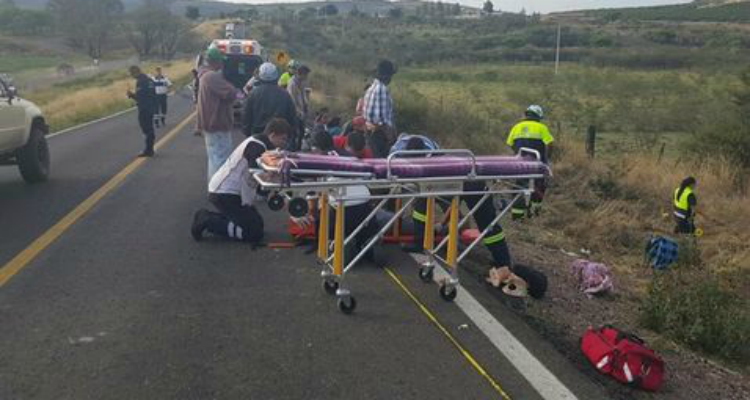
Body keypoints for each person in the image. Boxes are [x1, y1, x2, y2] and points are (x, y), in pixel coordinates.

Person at [403, 135, 513, 274]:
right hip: (466, 181)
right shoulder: (435, 156)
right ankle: (503, 261)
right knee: (487, 222)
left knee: (487, 224)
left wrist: (443, 223)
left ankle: (504, 263)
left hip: (466, 184)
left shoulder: (430, 164)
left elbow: (444, 198)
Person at [191, 118, 292, 243]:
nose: (283, 143)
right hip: (224, 193)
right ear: (272, 135)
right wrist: (272, 178)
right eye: (283, 139)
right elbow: (255, 173)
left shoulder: (259, 143)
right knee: (253, 233)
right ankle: (207, 220)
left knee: (258, 224)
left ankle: (214, 217)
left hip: (233, 193)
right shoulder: (256, 145)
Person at [197, 47, 241, 181]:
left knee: (214, 159)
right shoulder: (212, 76)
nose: (223, 64)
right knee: (221, 160)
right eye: (221, 61)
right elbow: (231, 93)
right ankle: (219, 187)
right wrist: (238, 93)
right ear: (215, 61)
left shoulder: (204, 75)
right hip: (217, 124)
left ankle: (214, 186)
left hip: (211, 125)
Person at [506, 105, 554, 220]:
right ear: (539, 116)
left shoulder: (516, 127)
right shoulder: (541, 128)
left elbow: (510, 143)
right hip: (537, 164)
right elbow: (550, 143)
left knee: (519, 187)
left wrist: (518, 153)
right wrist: (546, 158)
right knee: (539, 186)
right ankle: (534, 212)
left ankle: (517, 216)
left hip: (520, 164)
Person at [242, 62, 297, 139]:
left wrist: (247, 134)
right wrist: (291, 135)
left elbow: (246, 115)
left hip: (258, 135)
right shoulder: (285, 94)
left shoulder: (253, 94)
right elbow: (292, 116)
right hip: (279, 136)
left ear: (260, 76)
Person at [126, 65, 157, 157]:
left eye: (131, 74)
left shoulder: (141, 81)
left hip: (144, 108)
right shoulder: (150, 80)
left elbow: (140, 97)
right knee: (149, 128)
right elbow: (153, 93)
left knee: (147, 129)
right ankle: (150, 149)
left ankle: (149, 150)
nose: (132, 76)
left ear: (135, 72)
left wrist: (131, 95)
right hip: (151, 107)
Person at [363, 60, 397, 142]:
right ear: (386, 76)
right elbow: (382, 120)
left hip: (370, 131)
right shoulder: (382, 89)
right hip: (379, 135)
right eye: (390, 75)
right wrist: (390, 137)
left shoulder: (371, 88)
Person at [287, 64, 311, 150]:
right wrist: (299, 112)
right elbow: (292, 99)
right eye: (306, 74)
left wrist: (306, 105)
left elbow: (303, 95)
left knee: (301, 132)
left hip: (301, 111)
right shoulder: (292, 83)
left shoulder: (301, 82)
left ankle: (298, 149)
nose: (307, 77)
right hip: (295, 112)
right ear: (301, 74)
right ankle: (292, 150)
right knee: (294, 133)